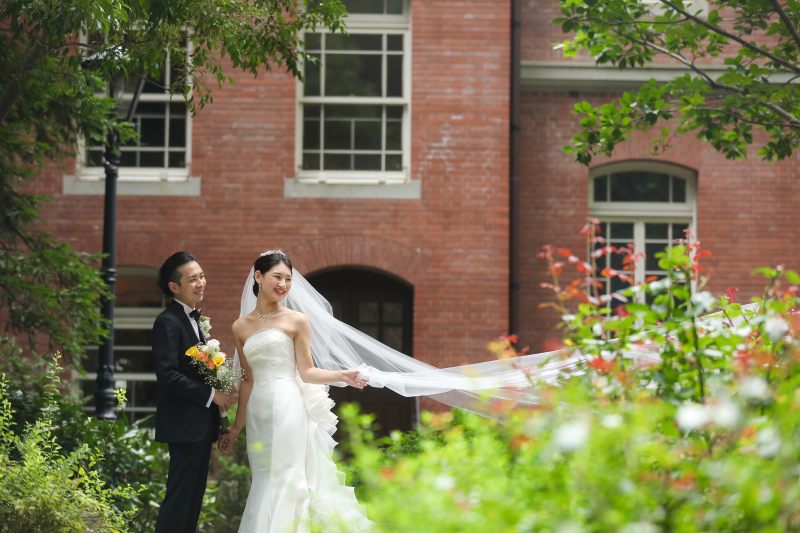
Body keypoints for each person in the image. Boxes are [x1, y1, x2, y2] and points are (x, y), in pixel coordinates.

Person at [219, 251, 372, 533]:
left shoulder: (297, 320)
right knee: (264, 479)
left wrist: (343, 375)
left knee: (288, 475)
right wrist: (236, 427)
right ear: (258, 277)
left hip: (289, 405)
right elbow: (247, 381)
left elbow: (307, 371)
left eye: (288, 279)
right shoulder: (240, 327)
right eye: (277, 277)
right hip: (257, 414)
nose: (283, 284)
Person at [152, 252, 236, 533]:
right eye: (192, 279)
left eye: (201, 276)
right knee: (178, 501)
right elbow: (168, 376)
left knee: (191, 502)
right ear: (174, 287)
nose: (201, 282)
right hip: (183, 427)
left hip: (199, 427)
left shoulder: (195, 321)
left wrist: (219, 420)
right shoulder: (167, 321)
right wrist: (213, 395)